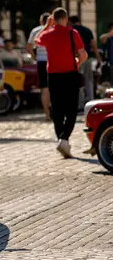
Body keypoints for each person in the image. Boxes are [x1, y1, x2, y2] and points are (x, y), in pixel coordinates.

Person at [35, 8, 87, 158]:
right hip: (70, 74)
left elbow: (36, 41)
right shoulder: (72, 33)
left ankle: (61, 140)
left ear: (53, 19)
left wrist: (46, 26)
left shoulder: (48, 34)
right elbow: (83, 54)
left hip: (54, 76)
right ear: (65, 18)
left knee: (57, 109)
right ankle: (64, 139)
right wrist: (77, 62)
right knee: (71, 109)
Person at [69, 16, 102, 103]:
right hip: (88, 57)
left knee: (77, 80)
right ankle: (91, 101)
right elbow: (94, 46)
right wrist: (99, 59)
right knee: (89, 79)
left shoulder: (70, 31)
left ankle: (80, 103)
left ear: (70, 22)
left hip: (75, 58)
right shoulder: (87, 30)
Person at [27, 12, 52, 121]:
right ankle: (56, 113)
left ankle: (47, 114)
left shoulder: (35, 30)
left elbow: (29, 46)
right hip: (53, 60)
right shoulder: (53, 29)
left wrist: (35, 56)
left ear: (41, 21)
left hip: (41, 61)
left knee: (44, 89)